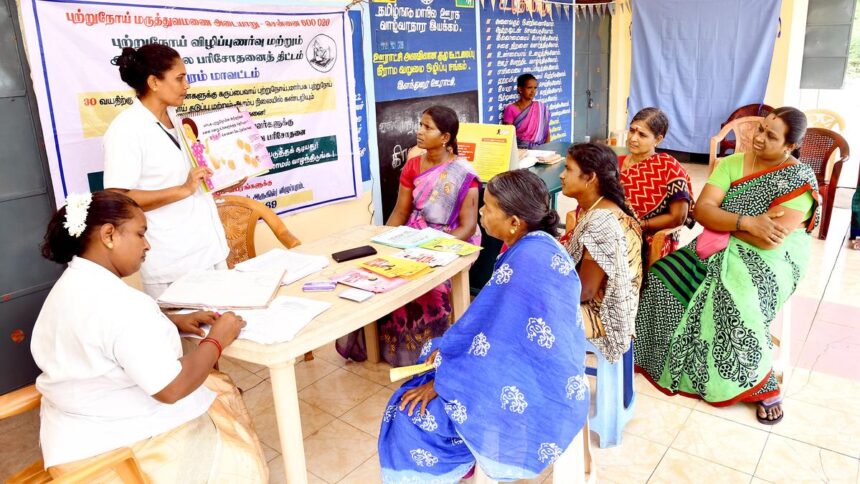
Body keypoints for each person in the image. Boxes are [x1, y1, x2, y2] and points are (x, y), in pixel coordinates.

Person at [31, 190, 267, 481]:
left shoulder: (72, 284)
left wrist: (172, 321)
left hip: (69, 439)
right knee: (235, 447)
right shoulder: (121, 305)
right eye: (141, 234)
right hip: (116, 450)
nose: (147, 245)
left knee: (214, 388)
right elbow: (171, 388)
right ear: (109, 235)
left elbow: (103, 335)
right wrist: (218, 338)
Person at [378, 170, 588, 482]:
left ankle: (456, 466)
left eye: (488, 208)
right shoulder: (541, 246)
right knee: (435, 356)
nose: (480, 212)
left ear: (514, 222)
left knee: (408, 415)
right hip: (547, 368)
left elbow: (497, 340)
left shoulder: (526, 261)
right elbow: (496, 329)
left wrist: (445, 379)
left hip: (534, 381)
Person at [634, 107, 819, 425]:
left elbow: (767, 241)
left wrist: (726, 221)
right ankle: (656, 351)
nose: (759, 138)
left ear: (789, 147)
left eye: (771, 136)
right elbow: (703, 211)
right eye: (760, 129)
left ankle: (761, 385)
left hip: (773, 259)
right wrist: (746, 221)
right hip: (716, 243)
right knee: (662, 276)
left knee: (739, 295)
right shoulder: (732, 163)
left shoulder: (798, 181)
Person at [337, 106, 480, 366]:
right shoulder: (413, 165)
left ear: (445, 137)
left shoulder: (464, 173)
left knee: (430, 287)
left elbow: (468, 227)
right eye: (420, 125)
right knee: (383, 275)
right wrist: (382, 242)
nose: (420, 131)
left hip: (451, 239)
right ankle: (389, 349)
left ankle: (430, 355)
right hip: (413, 237)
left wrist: (434, 250)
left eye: (428, 127)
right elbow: (401, 212)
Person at [103, 44, 231, 298]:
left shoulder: (176, 118)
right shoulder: (127, 130)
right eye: (180, 78)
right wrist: (182, 190)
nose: (187, 85)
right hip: (174, 262)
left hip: (210, 249)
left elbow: (192, 178)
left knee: (226, 327)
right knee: (191, 336)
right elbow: (118, 199)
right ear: (153, 82)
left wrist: (227, 177)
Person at [559, 143, 643, 363]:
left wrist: (545, 297)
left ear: (590, 177)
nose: (562, 175)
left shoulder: (602, 222)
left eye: (568, 169)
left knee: (523, 315)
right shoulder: (604, 207)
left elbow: (586, 292)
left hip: (604, 315)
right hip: (607, 304)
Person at [618, 108, 694, 259]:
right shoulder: (615, 163)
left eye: (642, 135)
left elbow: (679, 216)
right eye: (632, 131)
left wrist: (640, 225)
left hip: (649, 235)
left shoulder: (668, 166)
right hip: (611, 228)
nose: (633, 138)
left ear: (658, 139)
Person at [503, 73, 552, 149]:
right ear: (520, 89)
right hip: (520, 151)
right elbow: (509, 136)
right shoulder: (511, 109)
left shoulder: (540, 107)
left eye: (535, 88)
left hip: (541, 150)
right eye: (529, 88)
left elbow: (546, 132)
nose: (533, 91)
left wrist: (546, 148)